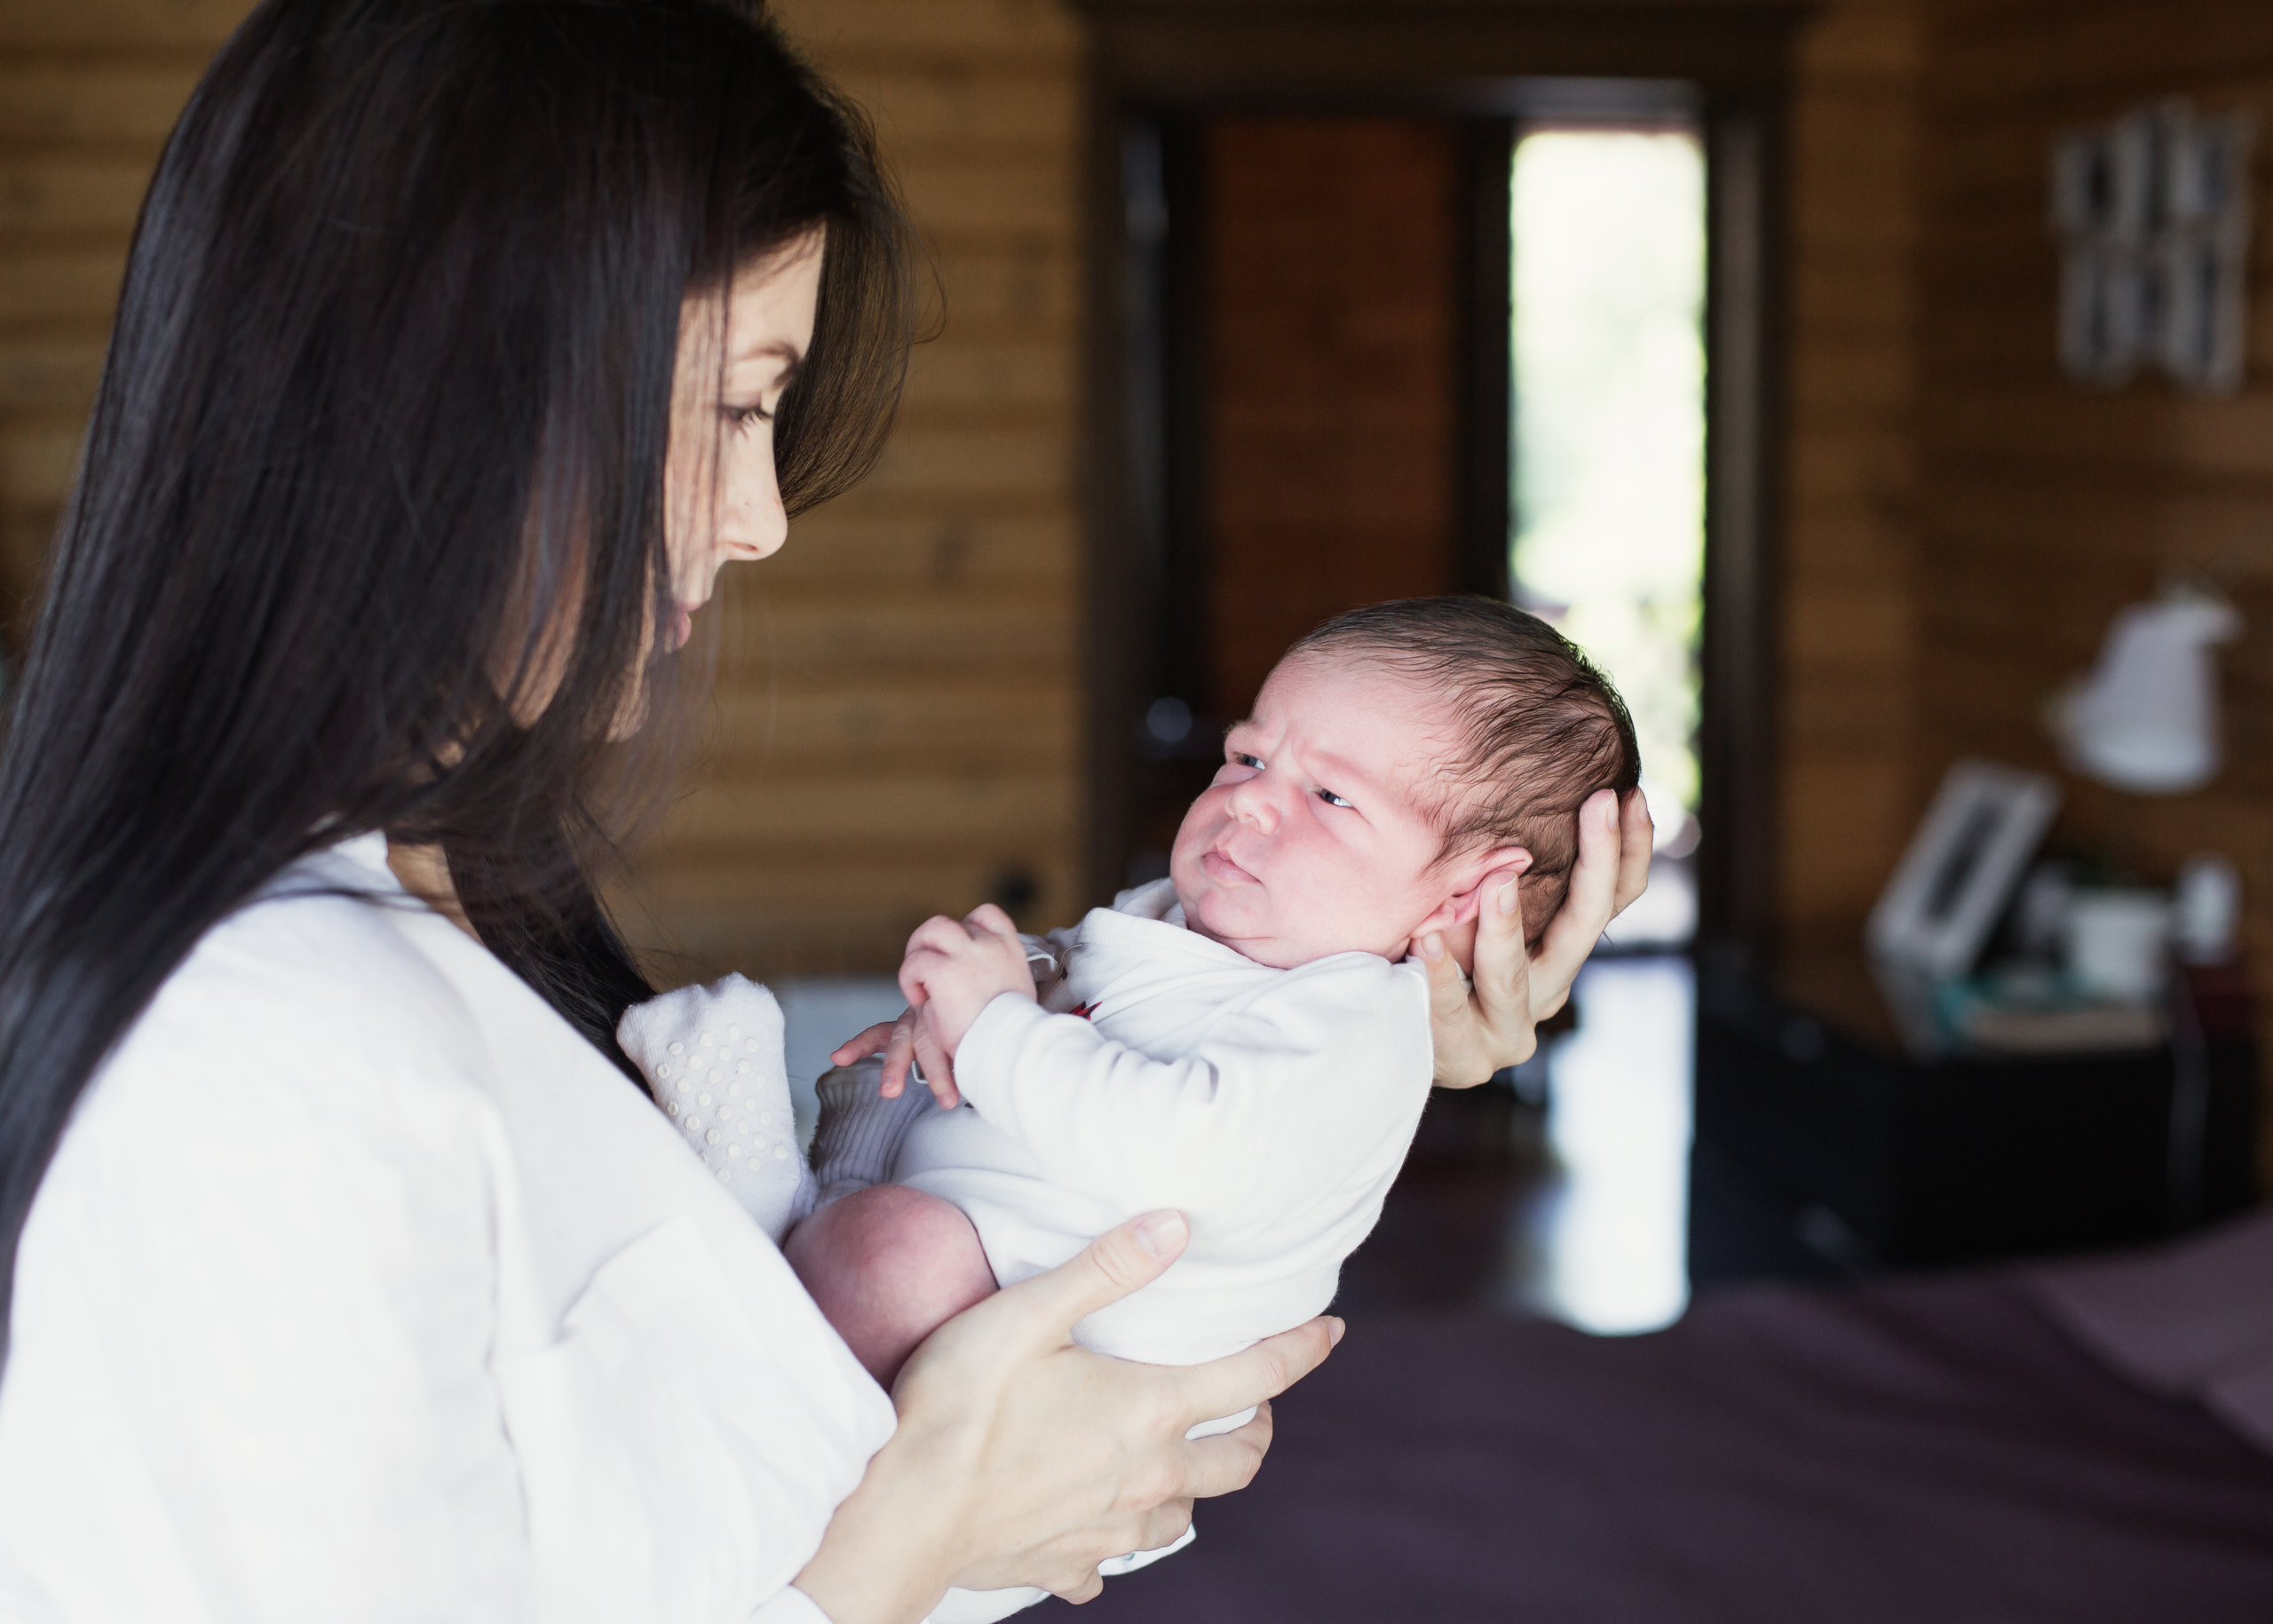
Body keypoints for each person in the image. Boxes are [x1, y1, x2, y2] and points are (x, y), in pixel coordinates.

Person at [0, 3, 1652, 1621]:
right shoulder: (260, 1052)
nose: (762, 516)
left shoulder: (449, 894)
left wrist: (1350, 1029)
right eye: (735, 406)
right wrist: (928, 1524)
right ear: (458, 388)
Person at [622, 597, 1639, 1622]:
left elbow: (1178, 1150)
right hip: (981, 1290)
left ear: (1469, 897)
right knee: (889, 1119)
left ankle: (761, 1206)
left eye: (1330, 796)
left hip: (1053, 1381)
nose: (1249, 803)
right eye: (1246, 758)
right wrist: (993, 985)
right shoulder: (1195, 924)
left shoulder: (1358, 1026)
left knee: (894, 1246)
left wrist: (997, 1030)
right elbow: (1092, 981)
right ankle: (796, 1213)